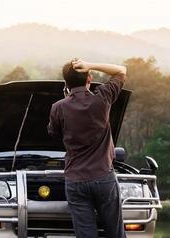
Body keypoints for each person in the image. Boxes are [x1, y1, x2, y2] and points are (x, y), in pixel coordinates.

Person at [47, 59, 127, 238]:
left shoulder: (58, 107)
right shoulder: (103, 97)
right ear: (89, 77)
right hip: (104, 177)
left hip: (76, 181)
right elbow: (121, 71)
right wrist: (91, 65)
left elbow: (53, 133)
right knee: (116, 233)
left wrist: (67, 100)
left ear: (66, 84)